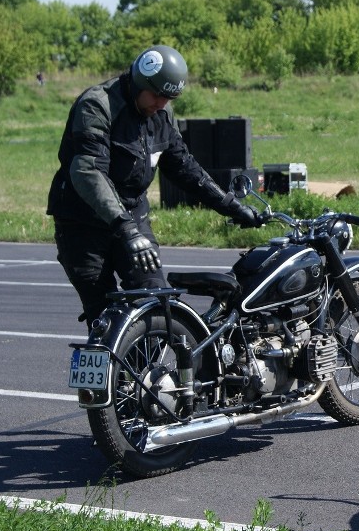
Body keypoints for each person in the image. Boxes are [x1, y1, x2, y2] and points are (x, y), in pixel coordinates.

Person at [47, 44, 262, 329]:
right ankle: (107, 371)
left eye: (170, 98)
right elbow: (88, 173)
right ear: (139, 83)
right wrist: (126, 229)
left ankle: (144, 373)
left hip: (133, 215)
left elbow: (185, 168)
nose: (162, 104)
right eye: (158, 95)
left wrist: (232, 206)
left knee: (155, 303)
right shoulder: (98, 105)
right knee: (103, 318)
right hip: (82, 224)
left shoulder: (161, 115)